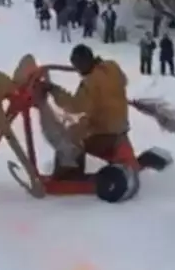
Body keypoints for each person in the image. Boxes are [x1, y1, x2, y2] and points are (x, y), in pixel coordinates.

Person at [41, 44, 137, 181]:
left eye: (77, 65)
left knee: (69, 138)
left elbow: (76, 106)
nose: (77, 69)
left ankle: (68, 176)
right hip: (120, 127)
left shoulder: (90, 82)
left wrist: (54, 90)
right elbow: (123, 81)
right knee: (81, 125)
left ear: (84, 62)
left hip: (106, 133)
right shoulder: (111, 66)